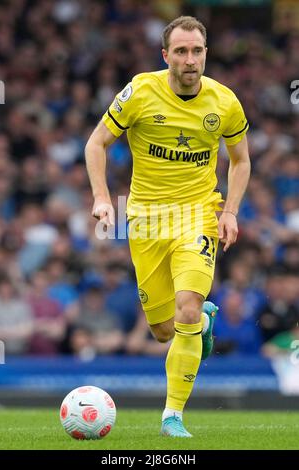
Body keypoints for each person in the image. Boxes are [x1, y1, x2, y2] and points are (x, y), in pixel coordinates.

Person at [85, 16, 250, 437]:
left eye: (196, 50)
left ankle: (172, 416)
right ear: (166, 55)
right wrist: (104, 198)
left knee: (188, 307)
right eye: (181, 51)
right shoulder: (140, 91)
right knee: (162, 331)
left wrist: (229, 211)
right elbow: (96, 142)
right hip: (145, 221)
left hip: (197, 214)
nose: (190, 59)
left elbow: (241, 160)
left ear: (206, 54)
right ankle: (205, 325)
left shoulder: (225, 102)